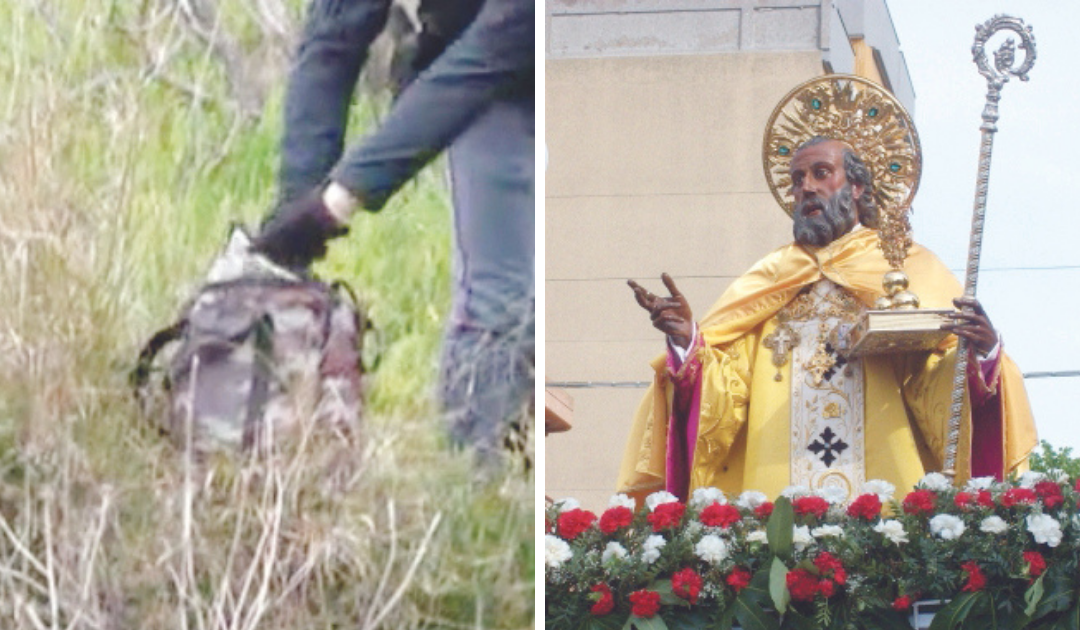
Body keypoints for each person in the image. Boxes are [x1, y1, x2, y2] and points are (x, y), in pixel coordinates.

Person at [618, 76, 1036, 503]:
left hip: (883, 502)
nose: (807, 188)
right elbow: (726, 396)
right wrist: (688, 341)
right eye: (798, 179)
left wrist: (980, 354)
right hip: (775, 503)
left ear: (855, 186)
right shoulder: (769, 278)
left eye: (821, 173)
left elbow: (933, 381)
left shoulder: (902, 267)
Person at [251, 0, 535, 465]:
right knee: (500, 305)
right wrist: (295, 208)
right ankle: (483, 491)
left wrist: (338, 200)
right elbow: (333, 39)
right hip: (490, 69)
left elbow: (495, 50)